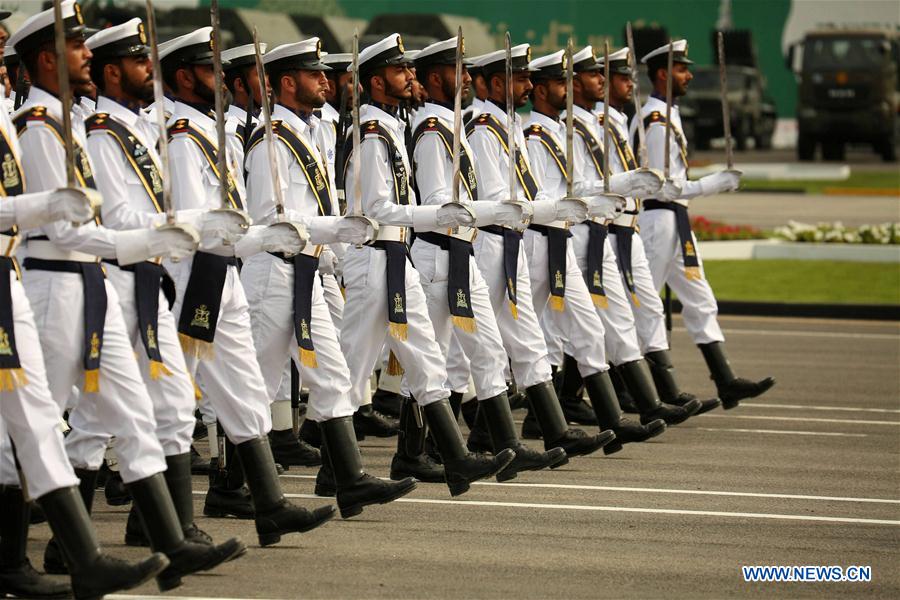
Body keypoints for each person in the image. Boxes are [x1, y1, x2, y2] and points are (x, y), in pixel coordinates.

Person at [10, 2, 241, 591]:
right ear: (46, 59)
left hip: (91, 280)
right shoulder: (38, 124)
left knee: (141, 412)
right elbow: (64, 228)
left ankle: (169, 543)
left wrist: (155, 234)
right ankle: (35, 556)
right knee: (35, 424)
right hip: (53, 281)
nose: (87, 55)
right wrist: (146, 237)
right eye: (76, 47)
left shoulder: (59, 121)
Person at [161, 25, 336, 545]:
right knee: (169, 401)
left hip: (226, 274)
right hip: (193, 277)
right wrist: (258, 236)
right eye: (210, 68)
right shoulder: (180, 136)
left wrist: (284, 234)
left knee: (244, 393)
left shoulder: (210, 132)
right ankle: (155, 522)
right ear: (185, 75)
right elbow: (193, 221)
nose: (224, 78)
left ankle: (270, 505)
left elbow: (232, 222)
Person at [242, 38, 417, 518]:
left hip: (304, 272)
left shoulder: (309, 132)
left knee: (334, 376)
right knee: (253, 387)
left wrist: (334, 245)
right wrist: (335, 230)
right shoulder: (272, 140)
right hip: (272, 273)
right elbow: (268, 225)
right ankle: (230, 485)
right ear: (285, 82)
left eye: (323, 71)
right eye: (311, 72)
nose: (325, 79)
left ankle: (350, 481)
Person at [341, 33, 514, 497]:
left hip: (397, 260)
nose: (410, 76)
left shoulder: (391, 127)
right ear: (377, 81)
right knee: (349, 373)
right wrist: (434, 215)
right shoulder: (371, 133)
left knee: (427, 360)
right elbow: (376, 209)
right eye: (401, 71)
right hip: (372, 258)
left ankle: (454, 460)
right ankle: (333, 471)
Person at [404, 36, 567, 483]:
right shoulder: (436, 131)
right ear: (437, 77)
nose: (466, 80)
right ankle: (412, 451)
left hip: (461, 251)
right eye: (458, 72)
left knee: (478, 350)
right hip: (441, 254)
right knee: (434, 356)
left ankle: (496, 444)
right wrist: (506, 211)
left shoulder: (453, 124)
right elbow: (442, 202)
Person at [465, 42, 613, 458]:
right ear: (497, 82)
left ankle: (550, 431)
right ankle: (436, 443)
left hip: (513, 242)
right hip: (494, 244)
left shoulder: (507, 125)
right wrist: (554, 208)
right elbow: (498, 198)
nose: (528, 85)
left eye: (530, 77)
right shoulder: (482, 129)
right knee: (466, 352)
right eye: (520, 78)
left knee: (526, 341)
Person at [633, 40, 775, 407]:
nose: (689, 75)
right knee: (643, 307)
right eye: (682, 69)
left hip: (676, 221)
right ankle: (634, 391)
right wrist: (714, 183)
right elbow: (663, 185)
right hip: (656, 218)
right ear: (663, 74)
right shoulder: (656, 122)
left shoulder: (671, 115)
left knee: (700, 298)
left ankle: (725, 380)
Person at [586, 46, 720, 417]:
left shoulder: (618, 120)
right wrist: (708, 185)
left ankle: (656, 393)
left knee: (640, 309)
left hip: (631, 225)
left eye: (630, 77)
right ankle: (626, 395)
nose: (631, 85)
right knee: (615, 314)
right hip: (617, 228)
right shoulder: (617, 122)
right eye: (620, 78)